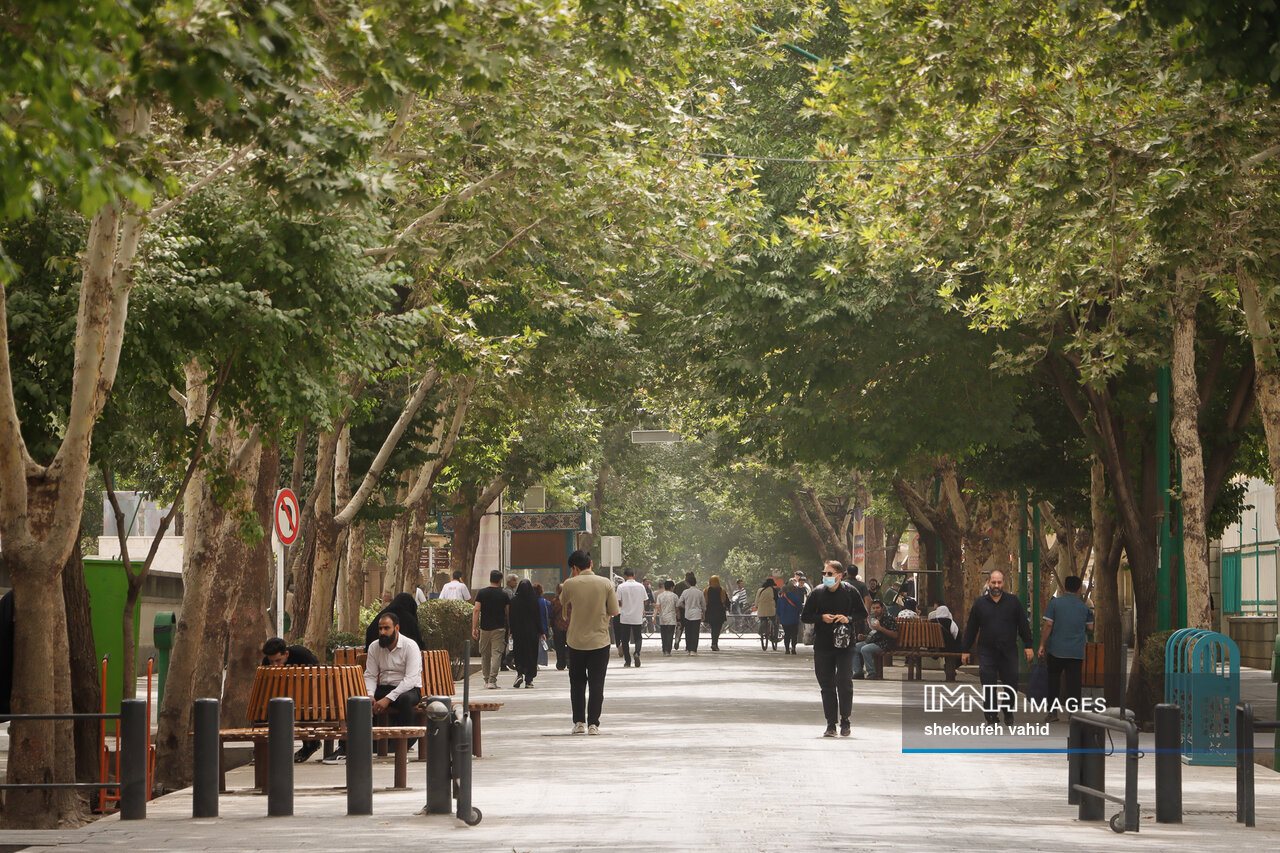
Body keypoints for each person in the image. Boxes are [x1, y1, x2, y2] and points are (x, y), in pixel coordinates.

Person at [961, 569, 1034, 724]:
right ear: (988, 583)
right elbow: (971, 628)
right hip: (987, 651)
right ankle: (991, 714)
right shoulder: (980, 604)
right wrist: (965, 650)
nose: (996, 585)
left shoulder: (1013, 602)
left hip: (1008, 650)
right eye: (993, 582)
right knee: (988, 683)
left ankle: (1007, 709)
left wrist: (1028, 645)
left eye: (999, 582)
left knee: (1011, 682)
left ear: (1003, 583)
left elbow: (1023, 625)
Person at [559, 550, 619, 734]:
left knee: (577, 683)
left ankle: (579, 722)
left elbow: (562, 600)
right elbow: (614, 610)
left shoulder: (569, 584)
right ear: (591, 564)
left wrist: (572, 577)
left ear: (574, 568)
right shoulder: (606, 583)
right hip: (600, 641)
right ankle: (594, 724)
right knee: (597, 684)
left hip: (576, 641)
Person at [801, 560, 859, 737]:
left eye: (829, 573)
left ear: (839, 576)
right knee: (826, 685)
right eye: (824, 573)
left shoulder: (850, 592)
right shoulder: (817, 593)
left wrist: (848, 618)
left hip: (845, 645)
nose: (825, 576)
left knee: (844, 681)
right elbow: (805, 616)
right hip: (823, 645)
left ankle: (845, 720)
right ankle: (831, 724)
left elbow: (862, 613)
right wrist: (821, 618)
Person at [1038, 575, 1094, 722]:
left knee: (1053, 681)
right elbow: (1090, 627)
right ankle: (1073, 713)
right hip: (1076, 651)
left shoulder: (1055, 604)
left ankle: (1052, 712)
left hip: (1056, 650)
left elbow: (1048, 625)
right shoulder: (1084, 607)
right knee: (1074, 683)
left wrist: (1042, 644)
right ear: (1078, 589)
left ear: (1064, 587)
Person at [261, 637, 322, 763]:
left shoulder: (301, 655)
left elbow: (318, 676)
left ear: (286, 654)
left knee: (304, 708)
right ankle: (263, 749)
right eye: (271, 661)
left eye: (278, 660)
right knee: (264, 711)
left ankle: (310, 744)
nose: (275, 665)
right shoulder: (266, 663)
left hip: (309, 698)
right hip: (283, 700)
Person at [471, 570, 510, 689]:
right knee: (497, 654)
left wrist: (474, 627)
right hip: (499, 628)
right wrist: (510, 628)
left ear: (490, 579)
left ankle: (486, 679)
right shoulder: (504, 594)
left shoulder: (482, 593)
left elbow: (476, 610)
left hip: (484, 628)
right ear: (500, 580)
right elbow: (508, 613)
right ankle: (492, 681)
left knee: (485, 654)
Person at [509, 579, 545, 688]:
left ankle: (520, 673)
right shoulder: (533, 601)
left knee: (519, 653)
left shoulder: (514, 601)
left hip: (518, 632)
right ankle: (529, 680)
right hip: (531, 633)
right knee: (531, 654)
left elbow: (511, 618)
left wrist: (511, 631)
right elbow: (538, 617)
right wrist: (541, 632)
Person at [853, 599, 898, 680]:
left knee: (865, 649)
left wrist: (881, 628)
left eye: (877, 608)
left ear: (882, 608)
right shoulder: (873, 619)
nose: (875, 610)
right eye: (873, 608)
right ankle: (858, 672)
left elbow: (895, 635)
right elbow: (874, 634)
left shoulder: (889, 618)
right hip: (874, 642)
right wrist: (864, 637)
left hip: (885, 643)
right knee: (854, 647)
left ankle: (871, 673)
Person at [616, 567, 647, 667]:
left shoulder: (621, 587)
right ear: (634, 575)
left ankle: (627, 661)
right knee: (638, 637)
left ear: (625, 576)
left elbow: (618, 601)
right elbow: (645, 600)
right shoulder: (641, 586)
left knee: (625, 640)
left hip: (625, 617)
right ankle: (637, 652)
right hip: (637, 616)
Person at [677, 575, 706, 654]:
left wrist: (685, 606)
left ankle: (689, 648)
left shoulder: (685, 592)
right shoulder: (700, 592)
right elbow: (703, 605)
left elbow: (679, 603)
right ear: (696, 583)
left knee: (688, 632)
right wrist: (703, 614)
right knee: (695, 633)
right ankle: (693, 649)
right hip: (697, 614)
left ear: (688, 583)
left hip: (687, 614)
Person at [777, 577, 805, 654]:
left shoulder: (781, 599)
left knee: (787, 634)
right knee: (794, 634)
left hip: (784, 620)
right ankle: (793, 648)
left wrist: (778, 618)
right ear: (791, 589)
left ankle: (787, 649)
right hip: (794, 619)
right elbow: (800, 608)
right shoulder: (796, 597)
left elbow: (778, 611)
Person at [672, 571, 696, 650]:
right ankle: (688, 645)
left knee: (680, 626)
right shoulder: (692, 587)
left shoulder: (678, 585)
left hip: (680, 608)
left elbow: (675, 596)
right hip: (689, 609)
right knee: (689, 628)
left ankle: (677, 639)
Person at [704, 575, 729, 651]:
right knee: (717, 629)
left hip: (710, 612)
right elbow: (726, 601)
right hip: (719, 612)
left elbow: (704, 601)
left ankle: (714, 643)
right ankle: (714, 643)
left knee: (713, 628)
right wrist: (727, 607)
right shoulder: (722, 590)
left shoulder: (706, 590)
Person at [655, 579, 680, 655]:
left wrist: (654, 616)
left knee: (664, 635)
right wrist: (679, 619)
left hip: (662, 618)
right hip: (671, 618)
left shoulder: (660, 596)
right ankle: (668, 650)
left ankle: (664, 649)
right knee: (670, 635)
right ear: (671, 587)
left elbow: (657, 607)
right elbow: (677, 608)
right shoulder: (675, 596)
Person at [550, 583, 570, 670]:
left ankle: (561, 663)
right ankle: (570, 662)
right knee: (570, 645)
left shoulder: (555, 601)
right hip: (569, 626)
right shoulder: (571, 601)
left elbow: (552, 614)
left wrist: (551, 624)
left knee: (559, 646)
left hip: (558, 626)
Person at [755, 578, 779, 651]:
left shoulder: (760, 590)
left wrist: (757, 606)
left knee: (762, 619)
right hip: (771, 610)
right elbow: (777, 600)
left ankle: (761, 630)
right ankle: (775, 637)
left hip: (761, 610)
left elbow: (756, 601)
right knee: (775, 623)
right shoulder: (773, 590)